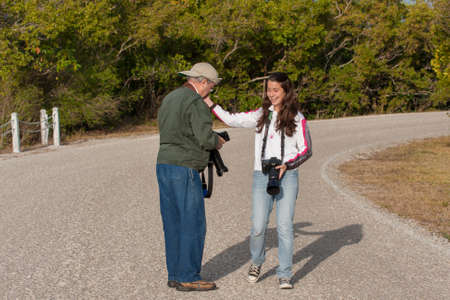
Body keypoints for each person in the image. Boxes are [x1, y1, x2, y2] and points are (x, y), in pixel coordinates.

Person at [203, 72, 312, 289]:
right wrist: (209, 102)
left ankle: (285, 273)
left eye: (276, 90)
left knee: (284, 227)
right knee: (258, 226)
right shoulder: (261, 114)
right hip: (261, 175)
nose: (271, 94)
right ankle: (257, 262)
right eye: (269, 90)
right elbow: (232, 119)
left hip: (287, 176)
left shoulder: (298, 118)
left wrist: (287, 165)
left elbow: (306, 149)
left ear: (286, 91)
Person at [156, 62, 226, 292]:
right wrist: (218, 141)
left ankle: (175, 273)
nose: (211, 91)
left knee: (173, 222)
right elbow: (205, 138)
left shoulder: (170, 98)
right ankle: (189, 275)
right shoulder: (195, 102)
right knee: (192, 222)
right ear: (202, 81)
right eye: (211, 86)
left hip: (164, 164)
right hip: (184, 167)